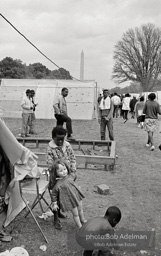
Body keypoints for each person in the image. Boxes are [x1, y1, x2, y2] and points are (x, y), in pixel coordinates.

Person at [47, 126, 77, 229]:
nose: (60, 141)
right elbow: (50, 165)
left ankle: (61, 213)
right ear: (53, 138)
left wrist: (73, 172)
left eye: (62, 139)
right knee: (55, 197)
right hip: (56, 178)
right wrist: (57, 174)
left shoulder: (67, 145)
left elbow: (72, 158)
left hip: (68, 176)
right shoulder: (50, 148)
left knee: (66, 196)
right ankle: (56, 217)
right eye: (58, 139)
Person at [50, 159, 86, 229]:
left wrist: (75, 186)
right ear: (56, 173)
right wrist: (54, 203)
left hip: (77, 196)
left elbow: (75, 177)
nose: (64, 172)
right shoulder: (58, 184)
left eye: (64, 169)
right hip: (70, 201)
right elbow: (53, 193)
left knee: (80, 209)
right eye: (61, 171)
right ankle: (80, 227)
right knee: (75, 214)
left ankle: (83, 220)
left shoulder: (71, 176)